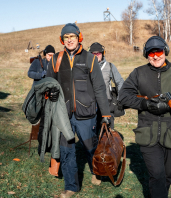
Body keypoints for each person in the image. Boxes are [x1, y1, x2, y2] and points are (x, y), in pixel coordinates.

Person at [118, 36, 171, 198]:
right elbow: (124, 96)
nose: (155, 56)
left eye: (159, 51)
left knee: (167, 175)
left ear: (165, 51)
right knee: (157, 175)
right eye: (151, 53)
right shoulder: (139, 73)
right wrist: (145, 104)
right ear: (147, 55)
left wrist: (169, 103)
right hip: (147, 134)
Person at [46, 23, 111, 198]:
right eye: (66, 38)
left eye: (72, 37)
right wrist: (50, 93)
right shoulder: (55, 59)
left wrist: (105, 113)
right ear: (62, 40)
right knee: (67, 151)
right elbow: (48, 83)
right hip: (63, 115)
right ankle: (71, 187)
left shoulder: (89, 58)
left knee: (90, 147)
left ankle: (96, 171)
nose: (69, 40)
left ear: (79, 38)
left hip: (87, 114)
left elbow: (99, 88)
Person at [89, 42, 124, 129]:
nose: (96, 55)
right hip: (90, 104)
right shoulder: (86, 67)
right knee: (91, 133)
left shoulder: (110, 66)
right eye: (93, 53)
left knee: (108, 132)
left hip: (107, 103)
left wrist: (121, 99)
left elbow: (120, 82)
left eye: (98, 53)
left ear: (103, 53)